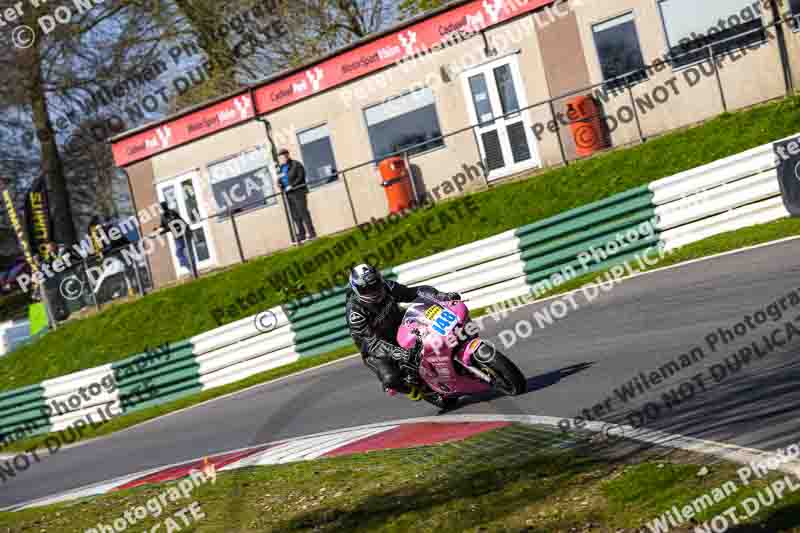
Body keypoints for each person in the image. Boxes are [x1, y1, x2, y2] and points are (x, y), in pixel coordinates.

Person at [345, 264, 461, 401]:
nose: (374, 291)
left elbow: (414, 293)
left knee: (434, 333)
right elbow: (371, 344)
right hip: (376, 348)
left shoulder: (387, 287)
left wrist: (440, 296)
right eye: (366, 289)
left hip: (400, 327)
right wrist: (398, 353)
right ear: (356, 289)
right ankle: (416, 391)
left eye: (375, 285)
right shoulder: (355, 312)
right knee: (390, 379)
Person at [277, 148, 317, 243]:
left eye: (284, 156)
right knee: (295, 215)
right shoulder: (281, 168)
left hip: (298, 192)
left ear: (287, 155)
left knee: (303, 212)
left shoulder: (296, 164)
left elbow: (301, 176)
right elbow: (280, 179)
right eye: (281, 157)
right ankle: (302, 235)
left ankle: (312, 233)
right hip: (288, 194)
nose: (282, 159)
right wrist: (279, 184)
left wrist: (292, 185)